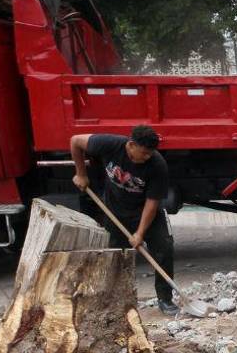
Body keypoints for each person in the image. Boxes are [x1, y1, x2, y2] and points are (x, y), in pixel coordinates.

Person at [70, 125, 177, 314]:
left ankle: (165, 298)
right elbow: (75, 141)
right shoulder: (110, 144)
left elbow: (152, 203)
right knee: (114, 256)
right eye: (143, 153)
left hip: (145, 213)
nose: (147, 157)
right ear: (131, 145)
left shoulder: (157, 165)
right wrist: (81, 174)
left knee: (164, 248)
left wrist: (140, 233)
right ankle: (115, 301)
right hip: (115, 211)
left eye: (150, 153)